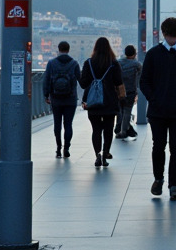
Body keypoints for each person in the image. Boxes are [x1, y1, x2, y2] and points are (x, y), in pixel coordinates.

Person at [140, 17, 176, 200]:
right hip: (158, 111)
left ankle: (174, 185)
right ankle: (158, 179)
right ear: (164, 34)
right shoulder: (153, 54)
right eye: (170, 36)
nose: (172, 39)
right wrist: (154, 98)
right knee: (158, 146)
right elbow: (144, 81)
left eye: (174, 36)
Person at [79, 37, 125, 167]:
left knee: (96, 130)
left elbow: (83, 84)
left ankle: (97, 155)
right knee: (108, 129)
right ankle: (105, 154)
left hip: (93, 102)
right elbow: (118, 82)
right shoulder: (113, 63)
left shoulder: (88, 63)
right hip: (110, 101)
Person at [42, 41, 80, 157]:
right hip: (71, 98)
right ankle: (66, 148)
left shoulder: (51, 63)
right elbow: (81, 80)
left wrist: (46, 95)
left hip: (56, 98)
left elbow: (46, 80)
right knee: (68, 124)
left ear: (58, 49)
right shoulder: (74, 64)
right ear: (68, 50)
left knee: (57, 124)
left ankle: (58, 148)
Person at [115, 44, 141, 140]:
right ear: (134, 54)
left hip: (119, 90)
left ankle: (120, 128)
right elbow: (140, 76)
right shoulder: (136, 64)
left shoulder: (118, 63)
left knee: (120, 110)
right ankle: (124, 131)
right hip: (130, 91)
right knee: (127, 111)